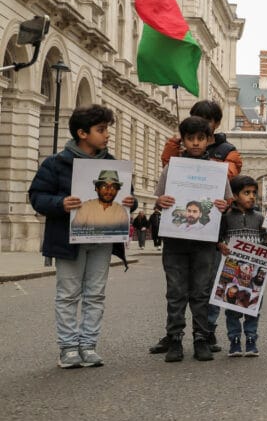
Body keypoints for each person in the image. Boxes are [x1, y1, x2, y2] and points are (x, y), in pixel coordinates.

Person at [29, 105, 136, 368]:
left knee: (96, 293)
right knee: (68, 294)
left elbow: (126, 199)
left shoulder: (113, 165)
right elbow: (37, 196)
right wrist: (61, 203)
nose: (107, 135)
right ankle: (68, 348)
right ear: (82, 133)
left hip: (101, 240)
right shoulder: (55, 163)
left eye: (107, 129)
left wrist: (130, 201)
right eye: (101, 130)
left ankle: (88, 345)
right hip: (67, 241)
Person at [150, 116, 230, 363]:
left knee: (201, 291)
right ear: (183, 140)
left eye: (200, 138)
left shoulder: (218, 171)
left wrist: (223, 205)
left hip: (204, 242)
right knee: (175, 292)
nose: (195, 143)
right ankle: (174, 338)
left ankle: (201, 338)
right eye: (190, 138)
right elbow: (159, 200)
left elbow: (226, 203)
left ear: (208, 140)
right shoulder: (171, 169)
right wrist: (159, 202)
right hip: (175, 241)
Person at [215, 175, 267, 357]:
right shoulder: (226, 217)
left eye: (254, 193)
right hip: (232, 270)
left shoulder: (260, 218)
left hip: (254, 272)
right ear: (235, 196)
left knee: (253, 307)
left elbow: (264, 244)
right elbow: (219, 238)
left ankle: (251, 339)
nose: (252, 196)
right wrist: (220, 245)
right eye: (247, 193)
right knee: (232, 307)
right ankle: (235, 340)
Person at [160, 99, 242, 178]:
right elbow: (167, 166)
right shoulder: (179, 146)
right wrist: (175, 142)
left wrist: (204, 163)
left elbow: (227, 175)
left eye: (207, 120)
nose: (201, 123)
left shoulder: (228, 151)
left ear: (217, 123)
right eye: (197, 118)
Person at [70, 169, 131, 234]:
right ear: (97, 188)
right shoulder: (86, 207)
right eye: (104, 186)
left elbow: (123, 234)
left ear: (117, 191)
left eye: (113, 187)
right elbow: (75, 231)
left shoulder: (121, 211)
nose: (109, 191)